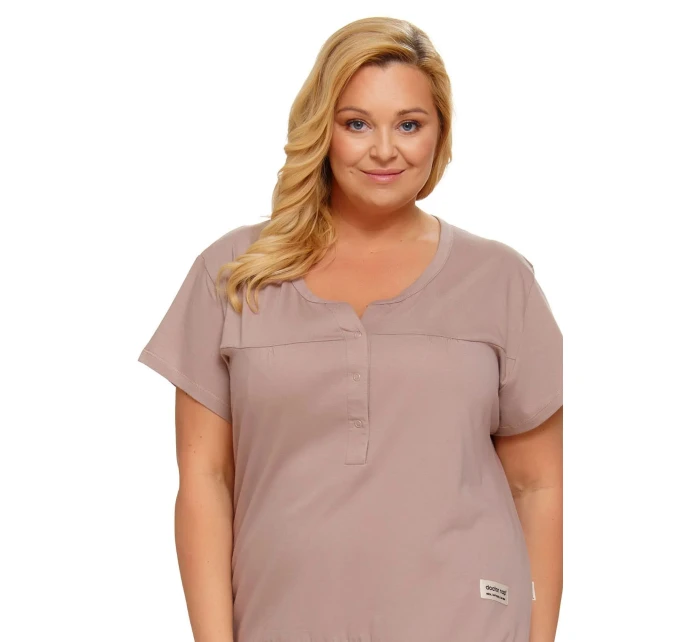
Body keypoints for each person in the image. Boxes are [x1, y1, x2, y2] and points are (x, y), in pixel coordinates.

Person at [137, 16, 563, 642]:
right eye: (357, 123)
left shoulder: (501, 279)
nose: (385, 150)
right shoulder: (232, 273)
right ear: (322, 130)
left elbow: (537, 484)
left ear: (440, 133)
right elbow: (205, 481)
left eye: (409, 124)